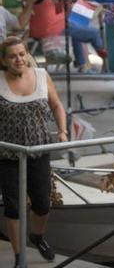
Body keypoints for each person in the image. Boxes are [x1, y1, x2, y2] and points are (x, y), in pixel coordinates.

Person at [0, 37, 68, 268]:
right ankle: (20, 257)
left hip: (39, 150)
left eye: (21, 54)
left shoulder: (41, 75)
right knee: (13, 207)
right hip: (9, 154)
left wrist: (63, 131)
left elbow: (57, 105)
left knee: (42, 204)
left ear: (27, 53)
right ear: (4, 60)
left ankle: (36, 236)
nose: (18, 59)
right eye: (12, 56)